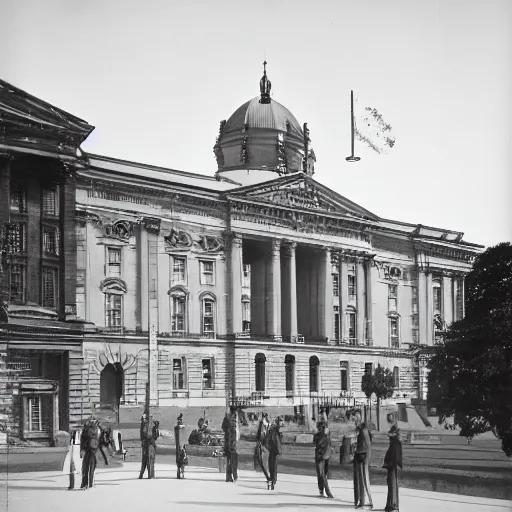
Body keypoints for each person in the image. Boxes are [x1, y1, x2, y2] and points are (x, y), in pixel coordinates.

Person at [353, 413, 373, 510]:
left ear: (358, 420)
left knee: (363, 480)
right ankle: (363, 501)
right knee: (362, 480)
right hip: (362, 456)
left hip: (362, 456)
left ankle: (364, 502)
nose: (355, 423)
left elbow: (366, 445)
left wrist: (357, 452)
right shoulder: (363, 430)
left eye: (355, 420)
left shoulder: (363, 430)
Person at [383, 424, 402, 512]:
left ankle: (393, 505)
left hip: (392, 466)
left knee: (392, 485)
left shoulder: (395, 442)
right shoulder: (394, 442)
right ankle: (390, 505)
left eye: (392, 434)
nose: (389, 436)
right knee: (391, 485)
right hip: (392, 466)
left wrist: (388, 463)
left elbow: (395, 456)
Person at [313, 421, 334, 498]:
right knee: (323, 474)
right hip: (324, 456)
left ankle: (322, 490)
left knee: (321, 474)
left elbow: (316, 443)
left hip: (321, 456)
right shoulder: (324, 436)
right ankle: (324, 491)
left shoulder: (320, 436)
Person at [80, 418, 102, 490]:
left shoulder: (86, 429)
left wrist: (82, 450)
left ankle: (85, 484)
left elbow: (82, 440)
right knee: (91, 468)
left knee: (85, 468)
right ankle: (90, 484)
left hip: (88, 450)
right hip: (93, 450)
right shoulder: (98, 430)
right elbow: (100, 440)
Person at [139, 413, 159, 479]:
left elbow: (154, 436)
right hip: (148, 444)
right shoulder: (146, 426)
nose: (143, 420)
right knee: (149, 460)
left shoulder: (146, 425)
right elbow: (150, 436)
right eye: (143, 418)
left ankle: (147, 475)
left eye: (144, 418)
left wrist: (156, 429)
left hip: (148, 444)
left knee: (148, 460)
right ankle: (149, 475)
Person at [222, 407, 239, 483]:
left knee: (229, 460)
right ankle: (233, 476)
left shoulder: (227, 418)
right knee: (233, 460)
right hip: (231, 443)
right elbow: (233, 432)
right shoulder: (232, 420)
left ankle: (229, 477)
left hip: (229, 443)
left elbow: (223, 428)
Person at [267, 416, 283, 490]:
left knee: (273, 466)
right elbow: (273, 441)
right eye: (280, 421)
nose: (282, 423)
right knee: (272, 466)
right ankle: (272, 480)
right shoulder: (274, 430)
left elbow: (276, 441)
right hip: (274, 450)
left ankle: (273, 480)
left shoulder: (276, 430)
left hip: (274, 450)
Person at [254, 412, 270, 482]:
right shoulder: (266, 423)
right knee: (264, 459)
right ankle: (266, 473)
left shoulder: (263, 423)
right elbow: (261, 433)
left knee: (263, 459)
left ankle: (266, 473)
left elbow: (260, 434)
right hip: (264, 443)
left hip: (263, 443)